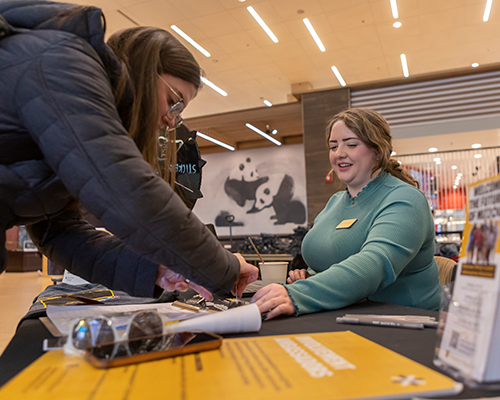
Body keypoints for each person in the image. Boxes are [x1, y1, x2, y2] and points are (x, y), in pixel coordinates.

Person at [0, 0, 258, 300]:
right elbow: (123, 188)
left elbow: (58, 233)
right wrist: (224, 267)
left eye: (179, 112)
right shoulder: (63, 63)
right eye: (173, 101)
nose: (171, 121)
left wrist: (154, 269)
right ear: (145, 72)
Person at [252, 108, 441, 319]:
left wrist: (300, 293)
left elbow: (376, 263)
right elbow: (332, 258)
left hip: (406, 323)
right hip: (346, 315)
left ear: (377, 151)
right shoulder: (335, 202)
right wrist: (310, 276)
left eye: (351, 144)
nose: (339, 153)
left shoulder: (405, 199)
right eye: (333, 146)